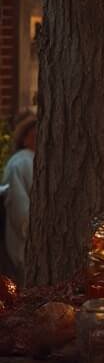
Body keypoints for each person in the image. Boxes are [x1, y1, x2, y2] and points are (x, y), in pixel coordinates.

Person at [2, 113, 36, 284]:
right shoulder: (22, 163)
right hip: (24, 243)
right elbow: (20, 210)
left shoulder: (29, 161)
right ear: (24, 139)